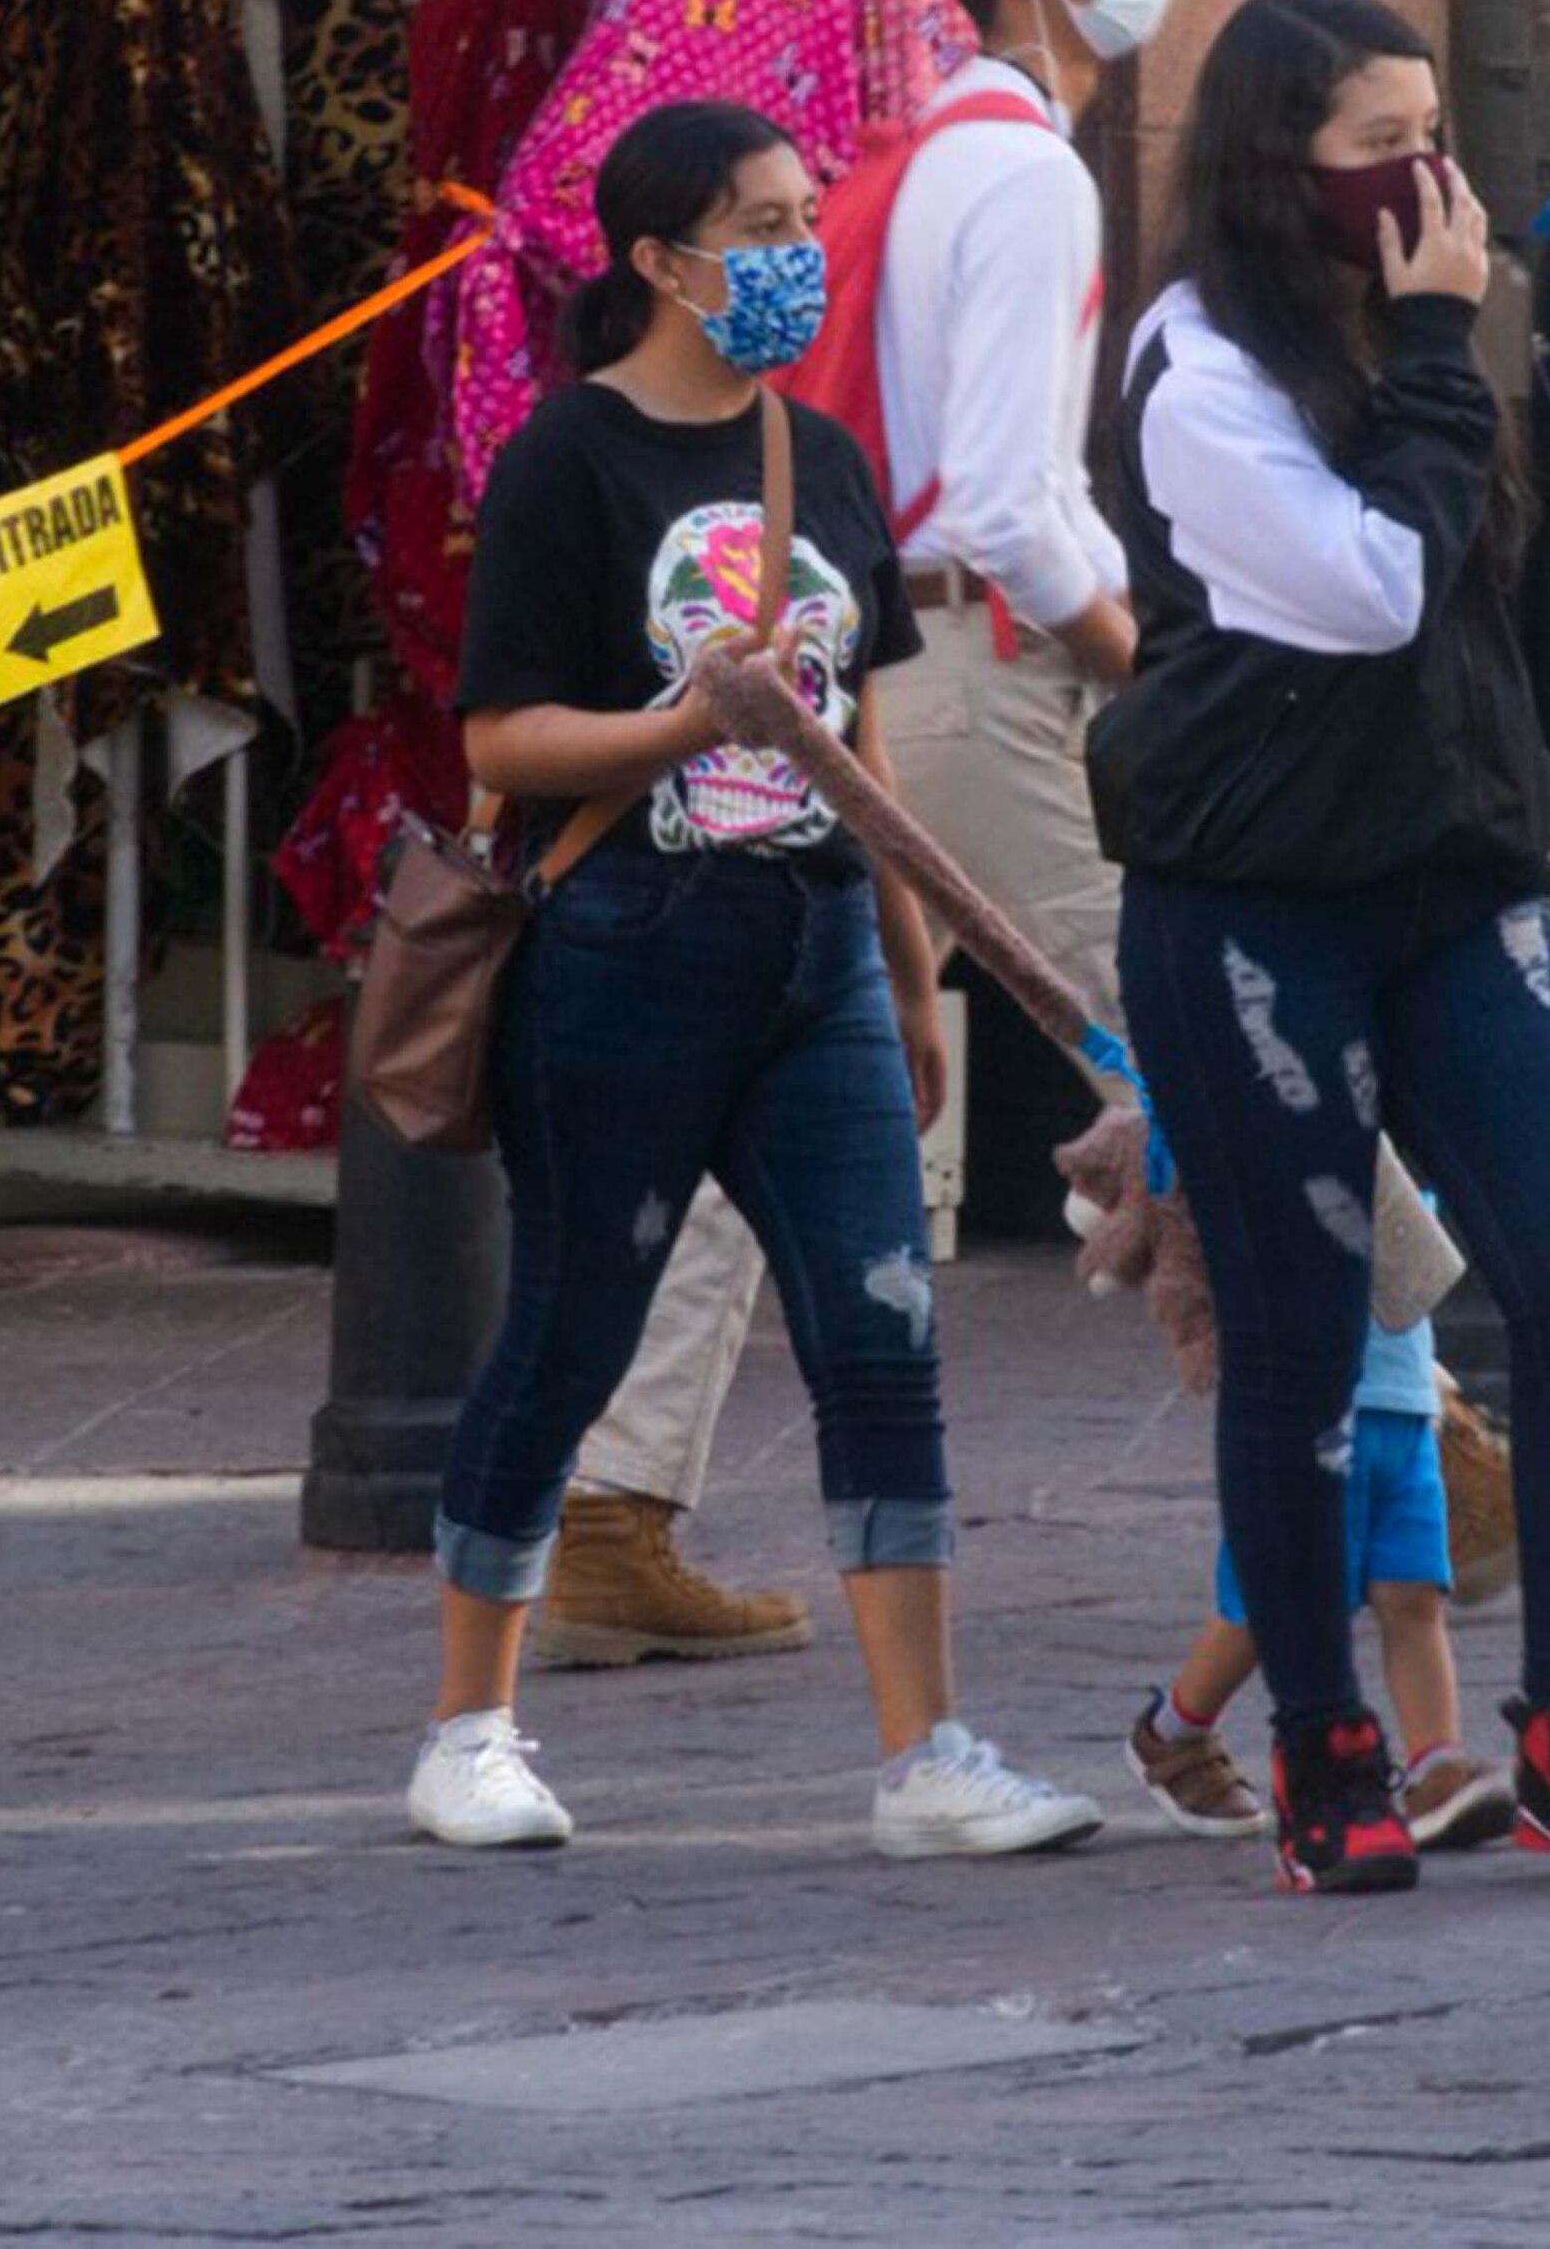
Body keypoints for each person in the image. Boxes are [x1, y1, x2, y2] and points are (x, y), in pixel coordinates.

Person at [1094, 0, 1550, 1897]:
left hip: (1454, 876)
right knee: (1304, 1337)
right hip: (1253, 895)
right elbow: (1366, 590)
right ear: (1277, 171)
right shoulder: (1198, 357)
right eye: (1381, 145)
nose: (1428, 181)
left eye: (1438, 132)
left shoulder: (1441, 319)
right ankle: (1323, 1741)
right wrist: (1446, 348)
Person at [411, 99, 1102, 1860]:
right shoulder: (570, 459)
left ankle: (928, 1752)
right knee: (570, 1331)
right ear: (658, 260)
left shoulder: (829, 458)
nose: (799, 255)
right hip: (622, 957)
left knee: (883, 1334)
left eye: (807, 218)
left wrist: (903, 944)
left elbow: (855, 726)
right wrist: (678, 722)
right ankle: (468, 1725)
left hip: (814, 959)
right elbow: (501, 735)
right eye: (764, 226)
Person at [533, 0, 1163, 1670]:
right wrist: (1154, 664)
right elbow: (1004, 501)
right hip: (964, 659)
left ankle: (614, 1507)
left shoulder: (928, 160)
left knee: (768, 1088)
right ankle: (1428, 1434)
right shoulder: (1029, 170)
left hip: (859, 662)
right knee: (1192, 1032)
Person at [1124, 1283, 1511, 1855]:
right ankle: (1173, 1733)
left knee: (1414, 1593)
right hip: (1314, 1410)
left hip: (1406, 1407)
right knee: (1271, 1603)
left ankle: (1437, 1767)